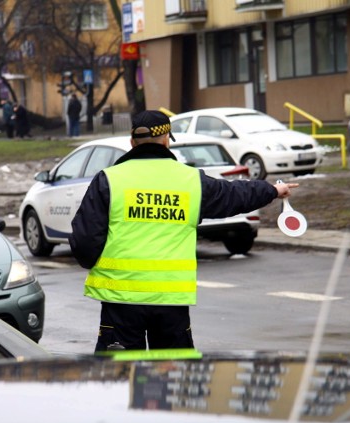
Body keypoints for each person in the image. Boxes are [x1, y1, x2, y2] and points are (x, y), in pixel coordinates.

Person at [69, 110, 298, 353]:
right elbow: (234, 196)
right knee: (172, 378)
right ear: (167, 139)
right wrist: (272, 190)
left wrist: (94, 264)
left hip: (120, 301)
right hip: (171, 302)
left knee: (119, 380)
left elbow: (84, 240)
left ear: (132, 142)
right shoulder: (190, 181)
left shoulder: (109, 180)